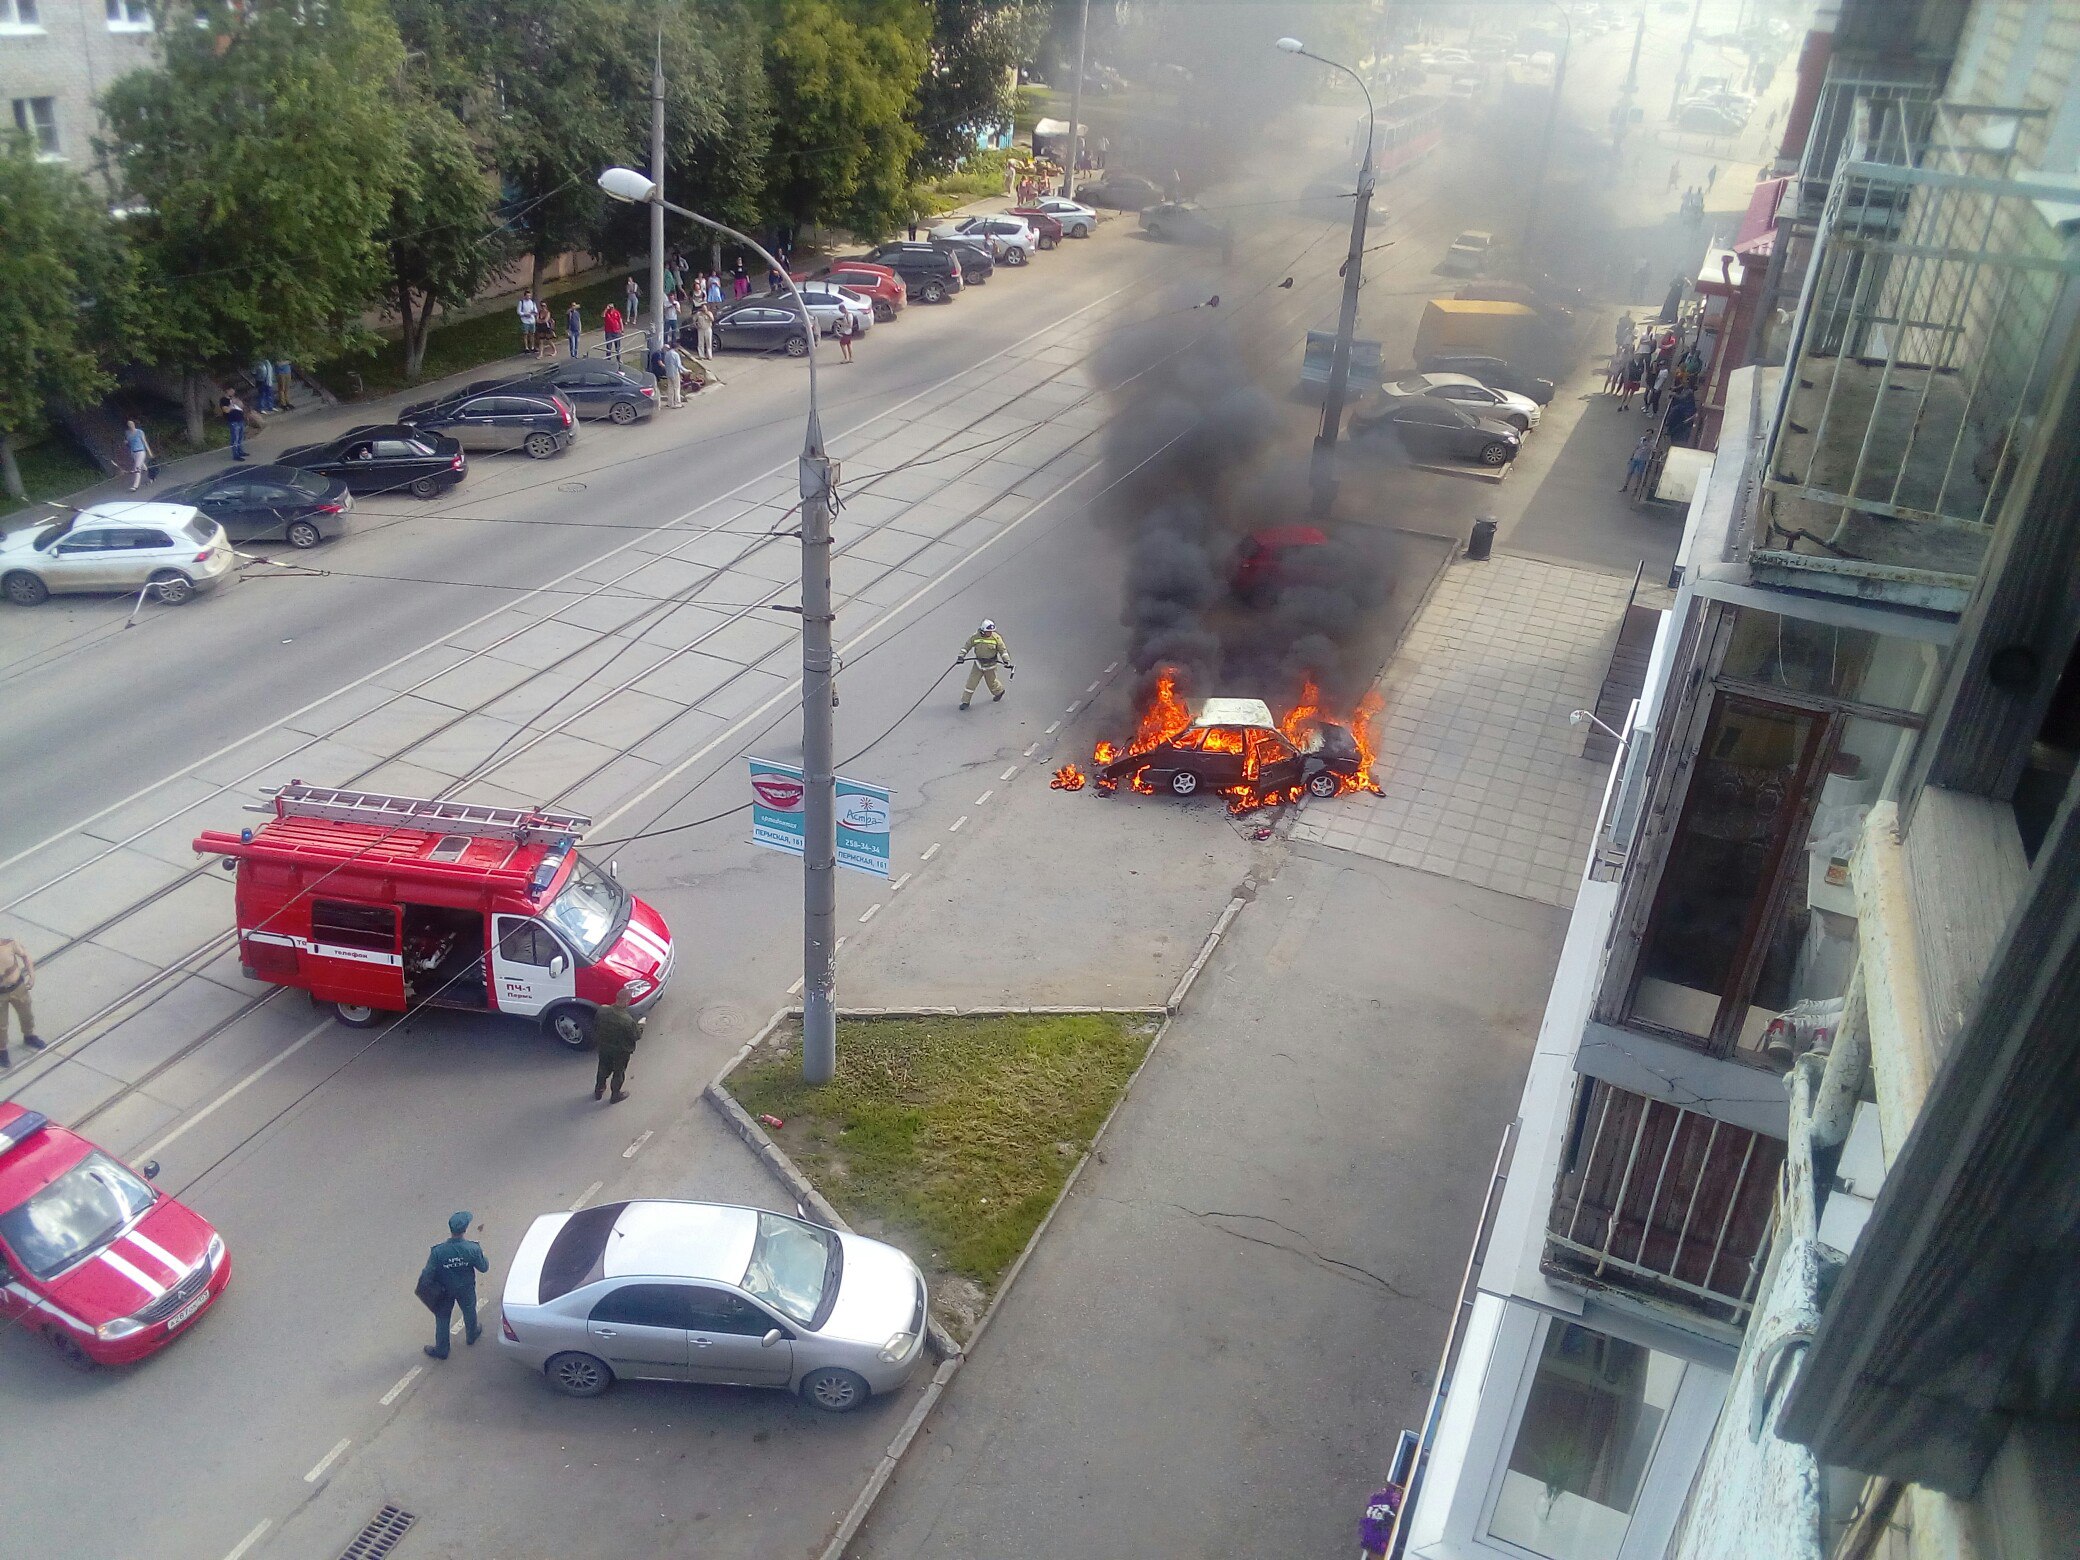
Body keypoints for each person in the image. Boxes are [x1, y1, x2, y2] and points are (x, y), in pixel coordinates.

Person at [419, 1211, 488, 1359]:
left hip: (444, 1290)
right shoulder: (473, 1249)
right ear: (465, 1229)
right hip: (466, 1288)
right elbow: (484, 1267)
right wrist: (481, 1254)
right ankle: (471, 1335)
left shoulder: (438, 1252)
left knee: (442, 1318)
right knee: (469, 1311)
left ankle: (442, 1350)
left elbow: (428, 1274)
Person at [0, 936, 46, 1071]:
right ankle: (1, 1050)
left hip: (17, 988)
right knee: (1, 1025)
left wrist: (32, 975)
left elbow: (25, 956)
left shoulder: (10, 944)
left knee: (26, 1015)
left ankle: (29, 1035)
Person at [591, 987, 642, 1103]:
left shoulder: (602, 1010)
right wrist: (641, 1025)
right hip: (621, 1051)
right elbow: (636, 1036)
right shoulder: (627, 1020)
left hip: (604, 1047)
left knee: (603, 1068)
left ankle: (599, 1090)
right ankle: (615, 1095)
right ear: (626, 1001)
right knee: (618, 1073)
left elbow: (596, 1025)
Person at [957, 619, 1012, 710]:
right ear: (983, 630)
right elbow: (966, 646)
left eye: (991, 631)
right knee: (971, 683)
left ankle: (999, 692)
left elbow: (1003, 650)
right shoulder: (975, 637)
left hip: (991, 666)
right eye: (988, 631)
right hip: (978, 665)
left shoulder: (996, 638)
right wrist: (961, 657)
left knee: (992, 683)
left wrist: (1006, 661)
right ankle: (965, 702)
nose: (990, 633)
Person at [123, 419, 152, 491]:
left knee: (137, 468)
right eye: (129, 424)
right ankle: (148, 473)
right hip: (133, 452)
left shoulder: (139, 432)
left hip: (141, 451)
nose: (131, 425)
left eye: (132, 424)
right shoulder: (127, 433)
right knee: (141, 465)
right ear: (128, 426)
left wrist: (149, 452)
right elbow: (128, 442)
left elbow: (144, 442)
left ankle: (135, 486)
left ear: (134, 424)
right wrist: (126, 442)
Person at [220, 391, 248, 461]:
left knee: (240, 437)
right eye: (231, 391)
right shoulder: (224, 400)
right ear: (227, 391)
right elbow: (226, 410)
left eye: (233, 391)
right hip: (233, 421)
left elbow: (242, 406)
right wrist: (232, 404)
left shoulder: (235, 398)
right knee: (235, 438)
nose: (233, 392)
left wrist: (238, 402)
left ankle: (240, 451)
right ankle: (236, 455)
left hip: (240, 419)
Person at [663, 340, 685, 408]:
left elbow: (666, 364)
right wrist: (685, 370)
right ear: (676, 347)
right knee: (677, 388)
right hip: (675, 373)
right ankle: (677, 403)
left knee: (670, 388)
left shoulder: (667, 354)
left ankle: (669, 402)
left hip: (668, 373)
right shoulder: (676, 354)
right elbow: (678, 365)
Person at [517, 290, 538, 355]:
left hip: (532, 320)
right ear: (525, 296)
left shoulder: (532, 302)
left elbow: (535, 311)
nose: (529, 297)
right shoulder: (521, 302)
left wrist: (533, 313)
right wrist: (525, 314)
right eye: (527, 295)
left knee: (532, 334)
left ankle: (532, 347)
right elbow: (519, 311)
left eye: (529, 295)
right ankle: (526, 348)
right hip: (525, 320)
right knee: (525, 334)